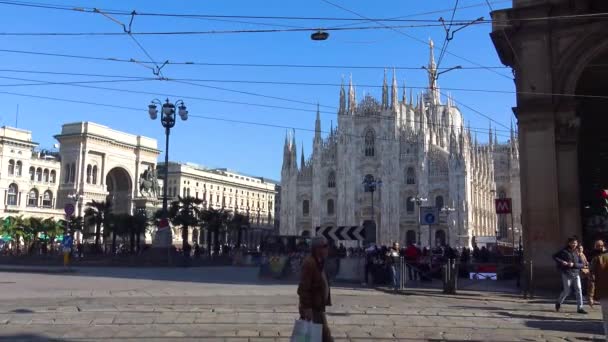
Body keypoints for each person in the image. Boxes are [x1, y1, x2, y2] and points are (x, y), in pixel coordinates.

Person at [298, 236, 333, 342]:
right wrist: (307, 308)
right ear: (317, 248)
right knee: (324, 338)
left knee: (323, 337)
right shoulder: (310, 263)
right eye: (325, 246)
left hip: (318, 307)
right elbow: (303, 288)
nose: (327, 249)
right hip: (313, 309)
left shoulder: (318, 262)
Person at [553, 236, 587, 314]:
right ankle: (559, 302)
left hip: (576, 273)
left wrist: (574, 264)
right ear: (569, 243)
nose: (574, 244)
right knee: (567, 291)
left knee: (579, 289)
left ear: (577, 243)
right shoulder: (564, 251)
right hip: (566, 273)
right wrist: (562, 262)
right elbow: (554, 256)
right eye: (572, 243)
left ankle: (580, 308)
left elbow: (582, 264)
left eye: (575, 243)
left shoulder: (578, 252)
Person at [589, 239, 608, 339]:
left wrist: (590, 296)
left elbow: (592, 279)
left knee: (606, 318)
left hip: (604, 293)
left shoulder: (596, 259)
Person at [589, 239, 606, 307]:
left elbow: (592, 277)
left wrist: (591, 296)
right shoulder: (595, 256)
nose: (596, 248)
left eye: (597, 246)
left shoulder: (597, 258)